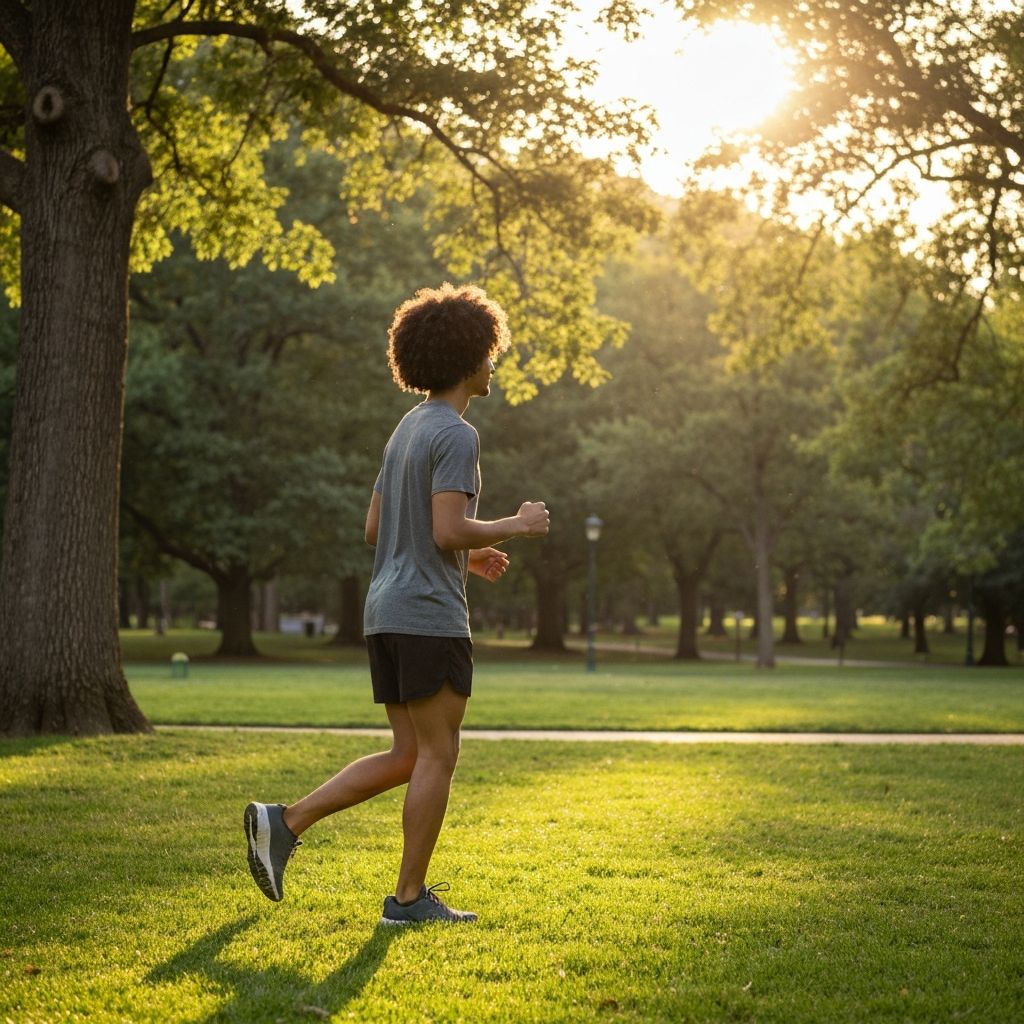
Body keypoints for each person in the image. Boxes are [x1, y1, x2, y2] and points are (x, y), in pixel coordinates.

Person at [244, 282, 550, 925]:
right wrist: (514, 526)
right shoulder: (457, 435)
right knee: (438, 755)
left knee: (408, 754)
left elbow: (379, 529)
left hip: (386, 611)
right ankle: (408, 900)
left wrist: (469, 554)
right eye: (489, 352)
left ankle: (286, 822)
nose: (493, 364)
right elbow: (444, 529)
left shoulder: (406, 429)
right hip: (427, 617)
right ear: (469, 358)